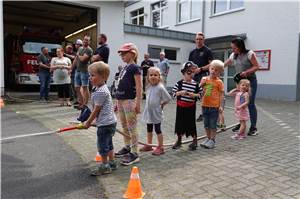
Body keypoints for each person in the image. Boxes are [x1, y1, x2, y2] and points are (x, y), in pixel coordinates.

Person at [84, 61, 117, 175]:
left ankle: (105, 166)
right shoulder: (101, 88)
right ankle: (112, 162)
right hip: (110, 122)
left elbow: (96, 110)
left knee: (102, 145)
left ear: (103, 77)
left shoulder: (100, 92)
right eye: (90, 75)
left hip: (105, 124)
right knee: (109, 144)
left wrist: (88, 122)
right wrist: (95, 122)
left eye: (93, 75)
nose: (90, 77)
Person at [224, 37, 259, 136]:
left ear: (240, 47)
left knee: (250, 103)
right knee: (240, 102)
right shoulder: (233, 55)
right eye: (232, 48)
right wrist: (216, 68)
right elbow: (224, 64)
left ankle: (253, 127)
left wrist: (246, 72)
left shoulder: (249, 54)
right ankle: (241, 124)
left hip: (250, 81)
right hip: (240, 82)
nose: (233, 50)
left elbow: (256, 66)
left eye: (234, 48)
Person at [114, 43, 142, 165]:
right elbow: (119, 84)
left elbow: (139, 86)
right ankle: (127, 147)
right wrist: (116, 101)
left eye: (124, 53)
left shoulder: (135, 68)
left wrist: (138, 103)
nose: (122, 55)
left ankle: (135, 153)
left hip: (130, 101)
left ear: (132, 53)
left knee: (132, 127)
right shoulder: (124, 68)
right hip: (120, 100)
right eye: (121, 53)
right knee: (124, 126)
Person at [140, 67, 171, 155]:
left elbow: (168, 98)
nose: (153, 77)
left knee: (157, 129)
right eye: (151, 75)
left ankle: (161, 147)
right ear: (148, 77)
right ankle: (149, 145)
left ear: (159, 77)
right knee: (149, 129)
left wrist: (162, 105)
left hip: (156, 112)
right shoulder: (148, 87)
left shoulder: (160, 87)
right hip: (148, 112)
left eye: (155, 75)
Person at [172, 61, 200, 151]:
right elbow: (173, 94)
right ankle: (179, 140)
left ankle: (195, 141)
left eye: (193, 72)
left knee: (191, 124)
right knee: (179, 124)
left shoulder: (196, 84)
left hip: (191, 108)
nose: (191, 74)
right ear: (183, 73)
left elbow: (201, 95)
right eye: (189, 72)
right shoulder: (179, 83)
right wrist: (180, 92)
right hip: (180, 108)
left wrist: (194, 95)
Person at [199, 60, 224, 149]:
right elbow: (199, 90)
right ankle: (208, 138)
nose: (213, 71)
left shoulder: (219, 82)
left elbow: (221, 94)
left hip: (214, 107)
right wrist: (201, 84)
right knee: (206, 124)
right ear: (209, 69)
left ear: (220, 72)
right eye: (212, 69)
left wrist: (221, 106)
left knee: (212, 124)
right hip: (205, 105)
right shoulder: (205, 79)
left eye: (216, 70)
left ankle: (212, 140)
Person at [189, 32, 213, 122]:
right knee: (193, 96)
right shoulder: (192, 52)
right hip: (194, 77)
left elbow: (212, 64)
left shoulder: (208, 51)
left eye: (201, 39)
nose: (199, 41)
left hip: (205, 76)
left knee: (206, 96)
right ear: (195, 40)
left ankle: (206, 115)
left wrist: (201, 69)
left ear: (204, 40)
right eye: (197, 39)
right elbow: (189, 65)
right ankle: (192, 114)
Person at [73, 35, 93, 109]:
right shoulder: (80, 48)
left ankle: (85, 104)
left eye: (87, 40)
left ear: (89, 42)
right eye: (84, 40)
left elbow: (82, 59)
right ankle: (81, 103)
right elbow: (76, 59)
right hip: (77, 70)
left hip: (84, 71)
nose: (85, 41)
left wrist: (78, 55)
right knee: (77, 88)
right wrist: (71, 68)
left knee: (85, 87)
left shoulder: (89, 50)